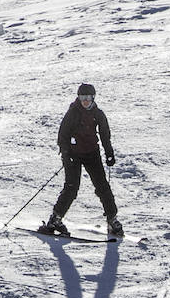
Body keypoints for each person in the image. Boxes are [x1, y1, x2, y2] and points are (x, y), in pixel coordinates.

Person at [39, 83, 122, 238]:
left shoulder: (98, 114)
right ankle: (55, 219)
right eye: (82, 97)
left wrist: (109, 153)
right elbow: (62, 135)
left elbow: (105, 134)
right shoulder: (73, 113)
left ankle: (112, 219)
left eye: (88, 98)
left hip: (92, 154)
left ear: (93, 98)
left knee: (102, 186)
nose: (85, 101)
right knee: (71, 187)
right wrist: (66, 154)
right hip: (73, 155)